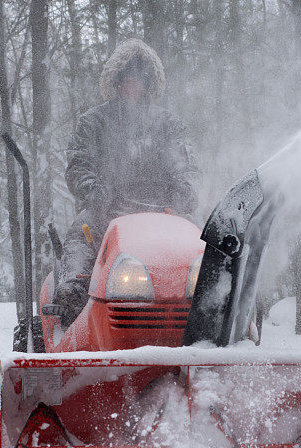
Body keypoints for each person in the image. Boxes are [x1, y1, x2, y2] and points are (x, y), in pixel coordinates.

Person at [52, 38, 200, 325]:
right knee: (81, 232)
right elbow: (78, 164)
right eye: (126, 81)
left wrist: (184, 192)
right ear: (116, 82)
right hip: (107, 211)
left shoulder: (169, 125)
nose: (132, 88)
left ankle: (209, 295)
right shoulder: (93, 122)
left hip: (163, 213)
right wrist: (93, 189)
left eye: (139, 82)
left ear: (149, 85)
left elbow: (187, 167)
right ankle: (73, 288)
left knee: (200, 239)